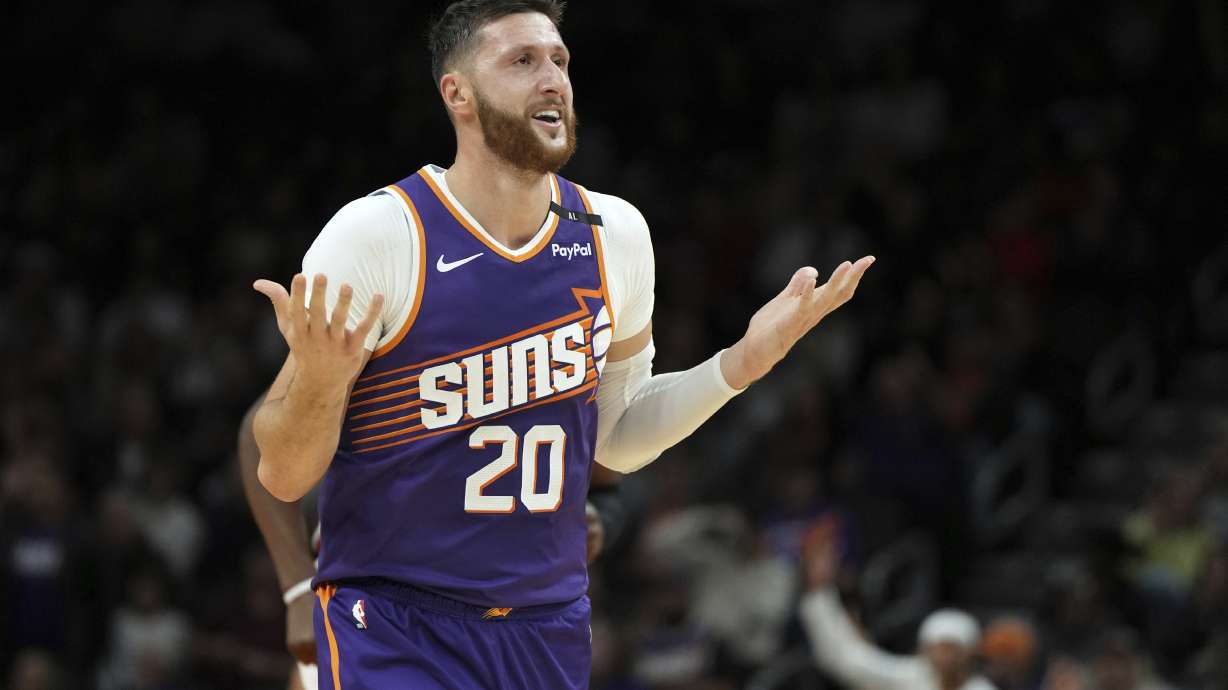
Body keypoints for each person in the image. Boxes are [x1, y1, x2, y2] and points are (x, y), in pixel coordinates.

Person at [249, 0, 874, 687]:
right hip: (396, 620)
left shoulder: (615, 234)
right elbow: (280, 472)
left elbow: (618, 436)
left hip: (547, 624)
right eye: (522, 61)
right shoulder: (378, 236)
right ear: (457, 93)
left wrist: (738, 366)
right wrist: (319, 381)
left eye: (559, 61)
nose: (552, 79)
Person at [237, 393, 629, 690]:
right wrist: (298, 591)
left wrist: (599, 520)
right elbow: (260, 434)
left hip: (517, 625)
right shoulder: (393, 304)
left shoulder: (555, 340)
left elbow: (610, 484)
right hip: (382, 614)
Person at [799, 519, 997, 690]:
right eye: (936, 648)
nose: (943, 657)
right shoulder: (915, 678)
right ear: (924, 651)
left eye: (951, 648)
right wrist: (820, 594)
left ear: (969, 653)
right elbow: (848, 660)